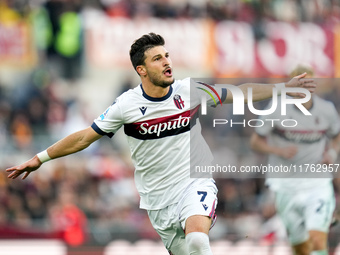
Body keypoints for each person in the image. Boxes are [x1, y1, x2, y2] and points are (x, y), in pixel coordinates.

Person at [6, 33, 316, 255]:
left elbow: (237, 91)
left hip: (194, 182)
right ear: (142, 70)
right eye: (157, 59)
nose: (167, 62)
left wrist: (283, 88)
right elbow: (86, 137)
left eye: (166, 55)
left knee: (198, 241)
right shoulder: (126, 106)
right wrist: (40, 158)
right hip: (157, 201)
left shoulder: (189, 91)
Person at [250, 65, 340, 255]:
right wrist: (277, 150)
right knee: (300, 248)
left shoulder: (327, 110)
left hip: (318, 183)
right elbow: (255, 141)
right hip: (286, 185)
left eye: (309, 84)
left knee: (317, 239)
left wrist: (331, 153)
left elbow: (337, 135)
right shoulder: (275, 109)